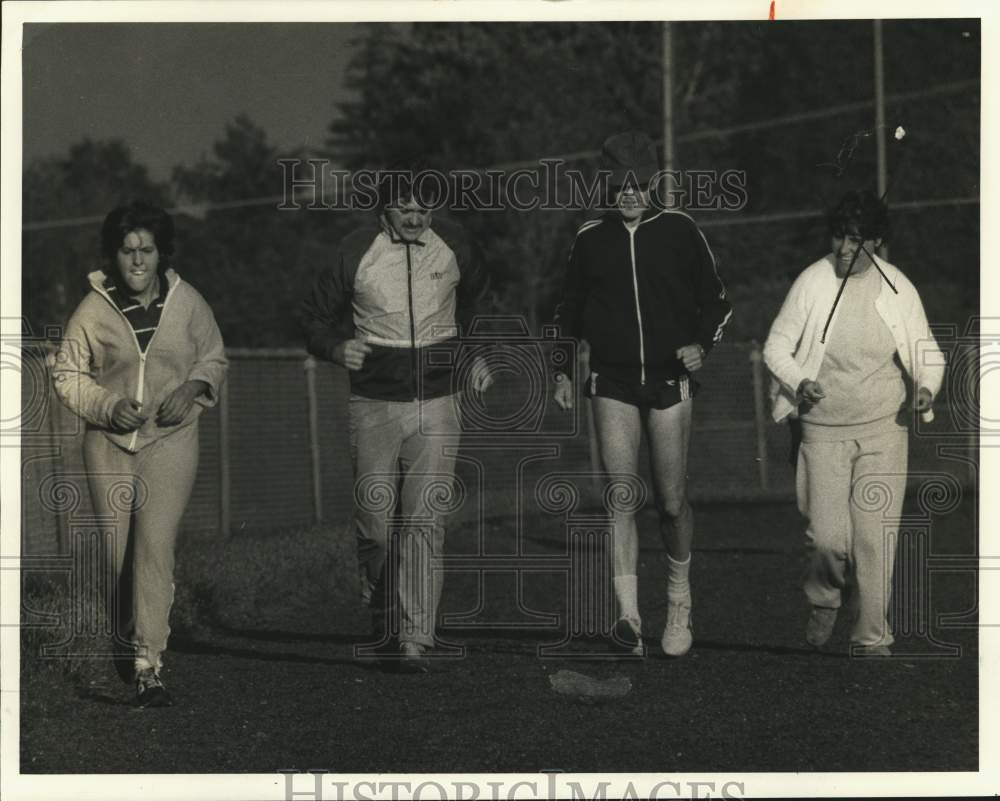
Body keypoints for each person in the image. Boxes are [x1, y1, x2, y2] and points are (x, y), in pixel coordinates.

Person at [302, 168, 492, 672]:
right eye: (404, 208)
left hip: (438, 400)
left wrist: (476, 355)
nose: (414, 218)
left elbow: (480, 303)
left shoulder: (455, 245)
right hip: (373, 402)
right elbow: (313, 318)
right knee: (375, 524)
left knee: (424, 520)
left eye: (423, 209)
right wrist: (335, 347)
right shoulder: (355, 250)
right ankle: (384, 610)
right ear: (384, 209)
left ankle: (414, 637)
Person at [552, 131, 733, 657]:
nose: (628, 193)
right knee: (621, 495)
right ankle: (628, 617)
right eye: (618, 185)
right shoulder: (589, 237)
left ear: (653, 183)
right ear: (606, 186)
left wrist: (701, 345)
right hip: (611, 380)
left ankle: (678, 603)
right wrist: (562, 371)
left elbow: (717, 303)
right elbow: (567, 311)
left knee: (671, 504)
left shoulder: (679, 229)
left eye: (638, 183)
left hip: (669, 380)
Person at [51, 201, 227, 705]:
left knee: (155, 547)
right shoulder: (93, 309)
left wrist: (192, 387)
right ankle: (125, 633)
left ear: (160, 253)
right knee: (116, 554)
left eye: (146, 250)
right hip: (108, 443)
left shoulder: (188, 302)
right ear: (113, 255)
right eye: (127, 250)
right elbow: (67, 373)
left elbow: (214, 358)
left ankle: (148, 665)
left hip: (170, 439)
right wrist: (107, 406)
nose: (136, 261)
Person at [763, 189, 944, 656]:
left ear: (876, 241)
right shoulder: (812, 281)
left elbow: (927, 351)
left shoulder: (898, 286)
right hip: (822, 429)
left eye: (856, 240)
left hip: (884, 425)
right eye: (839, 237)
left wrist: (925, 387)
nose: (844, 248)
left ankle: (872, 637)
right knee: (827, 539)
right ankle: (825, 598)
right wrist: (800, 381)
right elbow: (776, 347)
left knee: (874, 537)